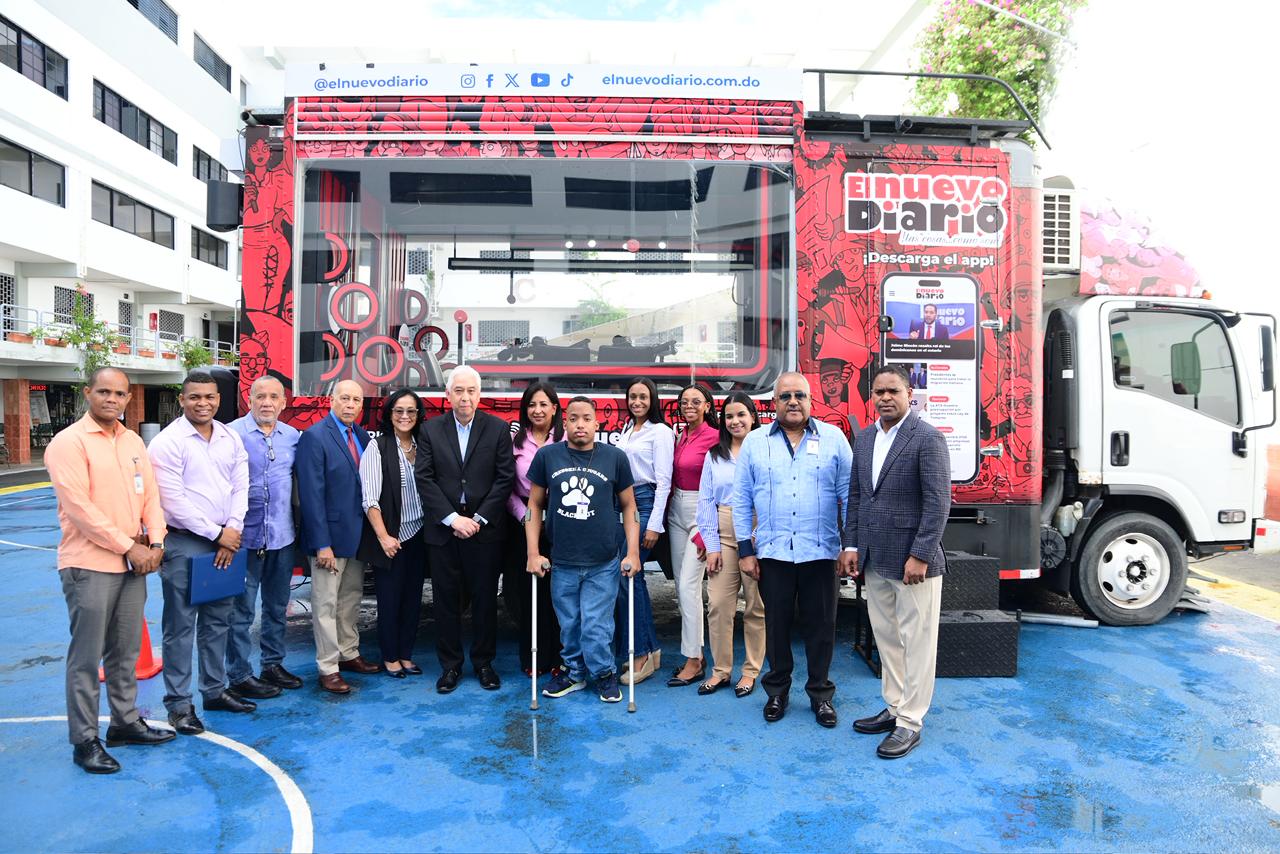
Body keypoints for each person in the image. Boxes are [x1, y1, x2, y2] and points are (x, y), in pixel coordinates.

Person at [45, 367, 174, 774]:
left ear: (128, 398)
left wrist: (156, 543)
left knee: (126, 651)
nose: (111, 400)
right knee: (86, 658)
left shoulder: (133, 441)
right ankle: (84, 740)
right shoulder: (68, 443)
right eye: (104, 392)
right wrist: (129, 546)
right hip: (90, 565)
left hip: (133, 564)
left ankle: (125, 722)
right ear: (88, 393)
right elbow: (80, 510)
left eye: (119, 394)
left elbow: (151, 496)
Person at [840, 364, 951, 759]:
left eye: (894, 391)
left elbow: (938, 502)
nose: (885, 397)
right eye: (879, 392)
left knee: (917, 643)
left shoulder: (928, 438)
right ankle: (894, 707)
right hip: (875, 559)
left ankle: (910, 721)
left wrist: (920, 554)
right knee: (887, 639)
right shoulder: (866, 439)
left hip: (913, 564)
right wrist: (851, 546)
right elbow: (857, 496)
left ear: (909, 395)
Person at [732, 371, 852, 728]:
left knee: (822, 627)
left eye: (800, 395)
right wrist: (745, 550)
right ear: (774, 403)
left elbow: (850, 495)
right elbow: (741, 499)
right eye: (785, 396)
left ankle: (820, 694)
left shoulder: (834, 439)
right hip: (773, 553)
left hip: (821, 552)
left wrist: (850, 546)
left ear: (811, 400)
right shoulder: (755, 442)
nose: (793, 402)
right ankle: (777, 692)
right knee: (776, 627)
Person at [149, 370, 252, 734]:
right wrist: (218, 534)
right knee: (180, 626)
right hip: (186, 542)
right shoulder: (167, 442)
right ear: (182, 400)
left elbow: (241, 485)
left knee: (217, 621)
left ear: (219, 399)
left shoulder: (229, 437)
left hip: (226, 539)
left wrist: (233, 529)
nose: (203, 403)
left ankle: (214, 690)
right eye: (194, 397)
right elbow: (173, 501)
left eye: (209, 397)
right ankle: (179, 704)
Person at [525, 397, 641, 703]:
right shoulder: (547, 456)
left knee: (595, 625)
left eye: (586, 418)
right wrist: (533, 553)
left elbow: (629, 507)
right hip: (562, 560)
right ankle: (574, 673)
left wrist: (632, 552)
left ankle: (603, 673)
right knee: (570, 624)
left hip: (603, 560)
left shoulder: (615, 457)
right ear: (564, 422)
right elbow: (534, 505)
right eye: (574, 418)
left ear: (597, 423)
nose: (580, 424)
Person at [415, 366, 515, 694]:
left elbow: (504, 478)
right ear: (448, 395)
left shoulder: (497, 429)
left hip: (484, 532)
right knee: (445, 600)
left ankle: (484, 664)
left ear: (479, 394)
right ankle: (450, 666)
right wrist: (452, 519)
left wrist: (478, 518)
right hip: (444, 532)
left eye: (471, 391)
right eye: (459, 391)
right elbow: (424, 478)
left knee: (485, 600)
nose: (465, 397)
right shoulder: (430, 430)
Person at [296, 379, 381, 695]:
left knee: (350, 599)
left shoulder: (361, 436)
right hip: (328, 540)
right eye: (345, 398)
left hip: (356, 537)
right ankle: (328, 667)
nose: (350, 405)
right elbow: (311, 495)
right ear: (331, 400)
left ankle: (348, 652)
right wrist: (322, 544)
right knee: (326, 604)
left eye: (356, 400)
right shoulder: (315, 437)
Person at [226, 376, 303, 697]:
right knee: (240, 612)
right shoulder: (231, 434)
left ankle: (272, 665)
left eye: (274, 397)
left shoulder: (293, 437)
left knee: (276, 606)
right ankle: (239, 674)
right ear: (250, 399)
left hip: (282, 538)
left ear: (283, 403)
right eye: (260, 396)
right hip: (243, 540)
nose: (267, 402)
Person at [695, 392, 765, 698]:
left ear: (753, 417)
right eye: (729, 416)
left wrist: (760, 536)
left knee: (756, 607)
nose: (735, 421)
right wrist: (711, 545)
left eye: (741, 415)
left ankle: (750, 671)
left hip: (758, 532)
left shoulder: (765, 451)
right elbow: (705, 501)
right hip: (723, 533)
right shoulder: (715, 455)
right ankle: (721, 671)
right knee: (719, 606)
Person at [357, 389, 428, 678]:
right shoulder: (378, 447)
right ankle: (389, 657)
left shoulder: (423, 445)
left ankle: (406, 654)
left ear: (418, 415)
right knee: (390, 600)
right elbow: (369, 499)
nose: (405, 416)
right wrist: (384, 537)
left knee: (413, 599)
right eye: (399, 410)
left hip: (419, 533)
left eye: (411, 411)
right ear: (389, 414)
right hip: (392, 538)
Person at [613, 377, 671, 686]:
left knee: (627, 573)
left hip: (645, 502)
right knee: (632, 578)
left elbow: (664, 481)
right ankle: (650, 649)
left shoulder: (660, 431)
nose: (637, 402)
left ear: (653, 400)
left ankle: (639, 654)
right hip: (623, 503)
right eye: (632, 396)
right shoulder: (627, 430)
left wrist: (654, 524)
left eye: (643, 397)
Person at [505, 382, 565, 677]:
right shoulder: (515, 442)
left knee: (559, 593)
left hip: (562, 522)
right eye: (531, 405)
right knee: (529, 593)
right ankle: (534, 657)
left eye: (543, 404)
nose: (537, 410)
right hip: (524, 523)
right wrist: (524, 517)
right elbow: (506, 487)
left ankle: (559, 656)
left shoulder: (565, 440)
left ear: (554, 408)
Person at [667, 382, 720, 687]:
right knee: (680, 586)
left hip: (701, 512)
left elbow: (723, 482)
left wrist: (708, 530)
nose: (689, 406)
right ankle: (695, 652)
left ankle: (694, 660)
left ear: (707, 406)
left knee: (688, 586)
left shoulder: (716, 437)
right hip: (676, 510)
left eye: (695, 401)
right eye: (684, 401)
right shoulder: (681, 435)